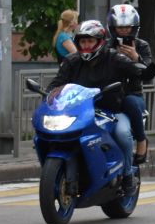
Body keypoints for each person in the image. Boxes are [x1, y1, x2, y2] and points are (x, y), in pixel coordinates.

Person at [47, 20, 147, 193]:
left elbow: (142, 72)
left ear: (99, 42)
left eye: (90, 41)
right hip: (81, 112)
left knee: (122, 133)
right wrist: (49, 94)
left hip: (111, 110)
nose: (86, 45)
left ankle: (128, 174)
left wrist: (138, 61)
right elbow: (58, 82)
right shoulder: (72, 61)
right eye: (83, 42)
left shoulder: (114, 58)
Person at [106, 3, 155, 164]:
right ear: (113, 28)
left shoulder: (142, 46)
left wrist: (136, 58)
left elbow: (148, 75)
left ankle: (141, 140)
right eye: (120, 28)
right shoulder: (106, 46)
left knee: (131, 102)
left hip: (132, 94)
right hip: (108, 94)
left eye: (127, 27)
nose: (124, 31)